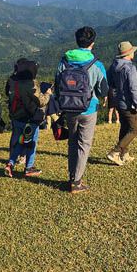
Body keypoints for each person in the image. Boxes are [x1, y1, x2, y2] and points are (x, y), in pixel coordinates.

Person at [55, 26, 108, 193]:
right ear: (92, 43)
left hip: (69, 109)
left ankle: (72, 176)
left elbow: (57, 85)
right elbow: (104, 90)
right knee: (83, 144)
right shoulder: (96, 64)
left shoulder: (64, 61)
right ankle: (76, 182)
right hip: (88, 109)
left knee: (72, 141)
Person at [5, 60, 51, 178]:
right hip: (29, 118)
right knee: (31, 143)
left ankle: (10, 163)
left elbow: (7, 93)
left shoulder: (12, 80)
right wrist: (48, 94)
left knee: (19, 142)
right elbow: (41, 102)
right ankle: (29, 168)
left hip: (16, 117)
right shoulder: (30, 84)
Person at [106, 41, 137, 165]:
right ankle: (115, 152)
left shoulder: (113, 66)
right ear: (129, 53)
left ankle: (124, 154)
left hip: (119, 102)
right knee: (135, 129)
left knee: (125, 128)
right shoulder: (130, 68)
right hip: (129, 104)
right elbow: (133, 88)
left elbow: (110, 83)